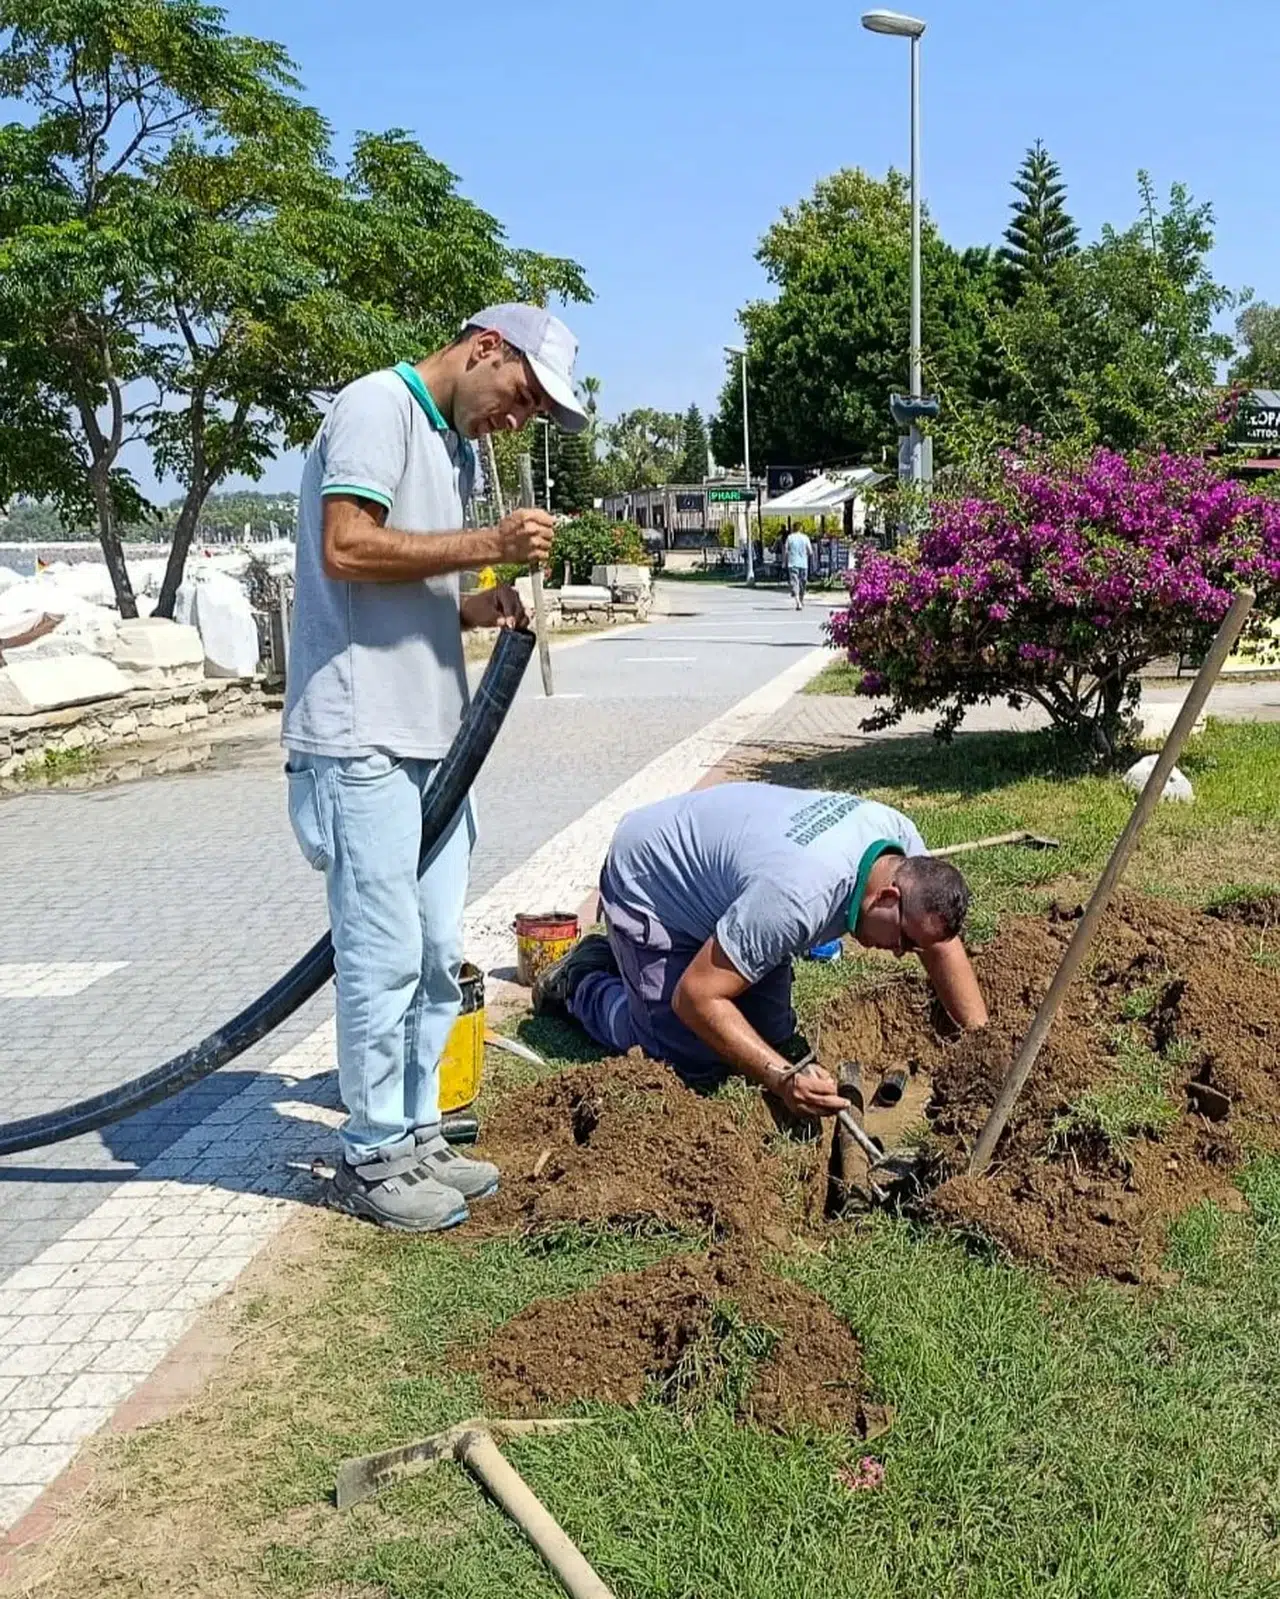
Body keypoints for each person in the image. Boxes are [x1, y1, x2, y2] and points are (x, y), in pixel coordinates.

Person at [283, 304, 588, 1233]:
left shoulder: (450, 450)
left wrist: (481, 604)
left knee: (427, 952)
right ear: (484, 348)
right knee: (376, 956)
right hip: (360, 738)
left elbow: (411, 588)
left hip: (429, 746)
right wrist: (487, 547)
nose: (518, 418)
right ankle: (373, 1152)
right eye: (521, 395)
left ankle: (416, 1132)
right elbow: (346, 547)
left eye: (535, 412)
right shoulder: (378, 405)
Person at [534, 784, 987, 1121]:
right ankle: (584, 981)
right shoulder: (795, 900)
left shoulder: (902, 845)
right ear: (887, 898)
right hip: (650, 880)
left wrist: (982, 1044)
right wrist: (782, 1080)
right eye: (904, 942)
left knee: (768, 1033)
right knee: (682, 1058)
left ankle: (636, 964)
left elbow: (940, 947)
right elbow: (696, 997)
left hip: (730, 886)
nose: (900, 954)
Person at [784, 527, 813, 609]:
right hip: (803, 564)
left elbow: (786, 551)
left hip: (792, 563)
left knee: (794, 582)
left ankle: (798, 601)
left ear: (793, 529)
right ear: (801, 529)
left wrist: (784, 561)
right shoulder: (805, 537)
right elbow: (810, 551)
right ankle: (800, 600)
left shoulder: (789, 538)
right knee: (803, 582)